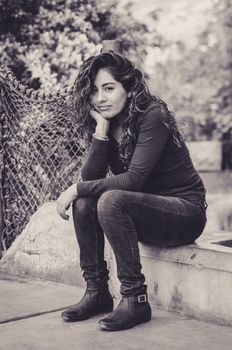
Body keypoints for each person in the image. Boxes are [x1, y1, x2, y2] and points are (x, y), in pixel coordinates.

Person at [56, 39, 207, 331]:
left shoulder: (153, 115)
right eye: (94, 91)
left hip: (185, 213)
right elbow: (90, 183)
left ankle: (135, 299)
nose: (100, 98)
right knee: (87, 201)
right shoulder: (109, 121)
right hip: (144, 211)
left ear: (128, 87)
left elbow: (133, 180)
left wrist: (74, 188)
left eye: (109, 88)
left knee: (110, 199)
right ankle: (97, 291)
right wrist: (100, 131)